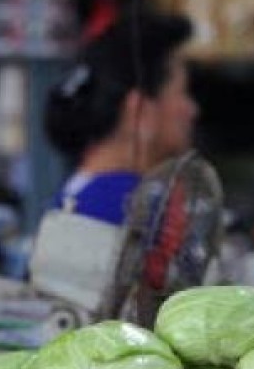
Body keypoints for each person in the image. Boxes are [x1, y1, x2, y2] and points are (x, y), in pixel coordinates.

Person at [43, 11, 197, 225]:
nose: (192, 109)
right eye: (182, 92)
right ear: (140, 112)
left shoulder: (79, 196)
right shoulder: (133, 210)